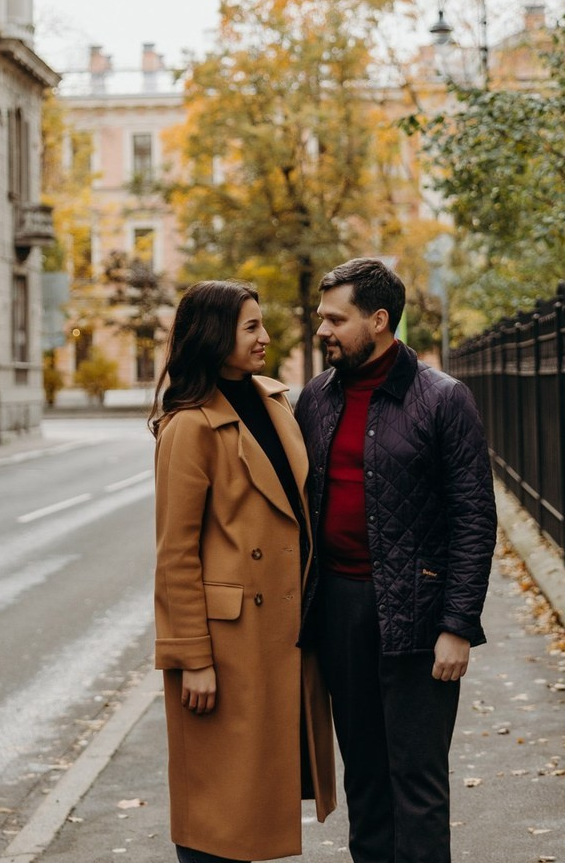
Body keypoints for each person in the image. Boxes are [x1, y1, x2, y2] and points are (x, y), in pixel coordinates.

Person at [296, 257, 497, 863]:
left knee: (418, 782)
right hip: (340, 612)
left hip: (417, 613)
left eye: (336, 318)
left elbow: (474, 518)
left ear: (379, 320)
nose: (322, 330)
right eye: (321, 317)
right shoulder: (316, 398)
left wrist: (457, 627)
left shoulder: (442, 399)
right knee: (366, 780)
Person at [151, 280, 336, 863]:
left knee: (253, 797)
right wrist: (192, 661)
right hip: (225, 647)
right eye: (251, 327)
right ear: (214, 335)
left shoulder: (274, 401)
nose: (265, 338)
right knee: (217, 809)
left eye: (262, 325)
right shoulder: (189, 427)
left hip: (280, 631)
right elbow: (175, 554)